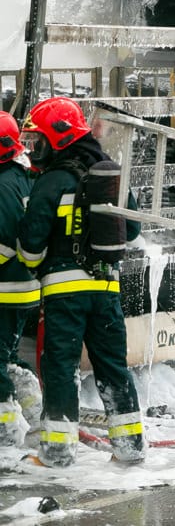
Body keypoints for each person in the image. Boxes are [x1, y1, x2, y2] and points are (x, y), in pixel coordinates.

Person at [16, 97, 145, 467]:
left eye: (38, 141)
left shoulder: (51, 180)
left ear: (58, 138)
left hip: (64, 294)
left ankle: (56, 454)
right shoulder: (108, 172)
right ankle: (130, 448)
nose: (35, 150)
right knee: (112, 368)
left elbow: (31, 244)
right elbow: (132, 229)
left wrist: (34, 262)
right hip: (107, 290)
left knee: (60, 369)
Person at [0, 111, 42, 446]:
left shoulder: (3, 184)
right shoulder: (23, 176)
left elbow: (4, 240)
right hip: (23, 286)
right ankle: (32, 411)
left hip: (6, 287)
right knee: (8, 358)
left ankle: (6, 434)